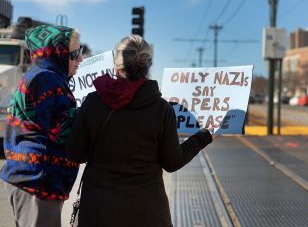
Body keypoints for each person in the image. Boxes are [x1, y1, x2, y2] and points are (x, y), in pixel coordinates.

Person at [66, 35, 213, 227]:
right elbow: (172, 162)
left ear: (116, 65)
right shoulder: (162, 109)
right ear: (148, 65)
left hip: (98, 212)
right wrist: (203, 137)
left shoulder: (93, 102)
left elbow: (75, 153)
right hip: (148, 213)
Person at [0, 25, 83, 227]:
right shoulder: (46, 79)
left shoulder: (42, 75)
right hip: (38, 180)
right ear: (58, 54)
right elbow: (64, 131)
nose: (80, 59)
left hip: (32, 177)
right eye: (74, 54)